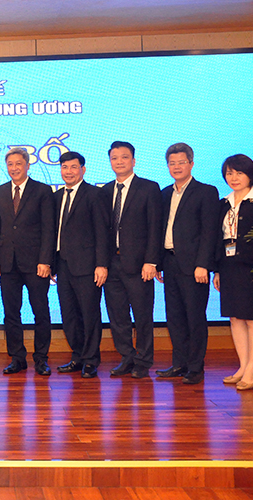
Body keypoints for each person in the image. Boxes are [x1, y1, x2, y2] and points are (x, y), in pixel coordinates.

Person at [157, 142, 219, 385]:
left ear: (191, 164)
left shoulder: (206, 192)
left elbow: (209, 231)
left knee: (194, 317)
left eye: (181, 162)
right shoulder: (164, 194)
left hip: (194, 267)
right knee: (174, 317)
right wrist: (159, 263)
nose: (176, 167)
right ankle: (179, 363)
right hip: (170, 262)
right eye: (172, 163)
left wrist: (203, 264)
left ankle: (195, 367)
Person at [0, 147, 56, 376]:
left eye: (19, 163)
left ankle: (41, 359)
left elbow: (49, 229)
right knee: (11, 313)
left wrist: (45, 260)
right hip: (8, 263)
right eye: (10, 164)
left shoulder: (42, 191)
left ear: (27, 165)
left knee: (41, 311)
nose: (14, 168)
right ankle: (17, 358)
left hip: (36, 264)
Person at [213, 154, 253, 391]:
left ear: (250, 174)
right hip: (229, 268)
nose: (234, 178)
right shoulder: (223, 203)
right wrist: (217, 270)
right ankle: (242, 366)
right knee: (235, 318)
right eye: (229, 173)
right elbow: (219, 239)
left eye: (239, 173)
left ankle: (252, 368)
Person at [101, 141, 163, 379]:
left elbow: (155, 227)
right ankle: (126, 357)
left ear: (133, 161)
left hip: (139, 265)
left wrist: (151, 261)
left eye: (124, 157)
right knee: (118, 316)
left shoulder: (149, 188)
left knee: (142, 315)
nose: (119, 161)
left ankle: (143, 361)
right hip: (112, 263)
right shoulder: (105, 191)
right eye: (114, 158)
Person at [54, 151, 111, 379]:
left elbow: (102, 232)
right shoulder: (56, 197)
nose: (68, 171)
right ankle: (77, 356)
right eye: (64, 167)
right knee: (69, 315)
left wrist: (101, 264)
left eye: (73, 167)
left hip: (88, 267)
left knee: (89, 314)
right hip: (63, 265)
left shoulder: (95, 195)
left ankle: (90, 360)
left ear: (83, 169)